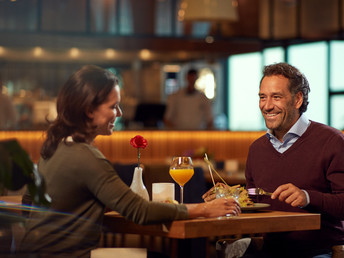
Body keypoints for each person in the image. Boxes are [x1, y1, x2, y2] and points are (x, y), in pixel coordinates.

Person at [17, 65, 240, 258]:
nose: (120, 113)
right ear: (89, 111)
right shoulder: (87, 157)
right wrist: (204, 209)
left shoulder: (53, 148)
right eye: (113, 106)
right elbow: (139, 211)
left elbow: (28, 204)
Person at [204, 62, 344, 257]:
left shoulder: (332, 141)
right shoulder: (256, 149)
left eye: (276, 97)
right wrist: (229, 198)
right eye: (262, 97)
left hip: (319, 250)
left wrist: (308, 197)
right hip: (270, 249)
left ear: (297, 99)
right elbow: (254, 201)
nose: (267, 106)